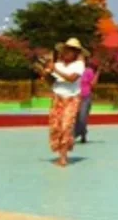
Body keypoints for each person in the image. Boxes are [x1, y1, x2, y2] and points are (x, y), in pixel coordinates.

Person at [42, 38, 86, 167]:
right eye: (66, 50)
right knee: (55, 126)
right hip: (57, 97)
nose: (67, 53)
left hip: (72, 98)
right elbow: (52, 82)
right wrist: (45, 74)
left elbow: (72, 79)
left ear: (75, 53)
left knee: (66, 126)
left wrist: (54, 69)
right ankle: (59, 153)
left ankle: (64, 157)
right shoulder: (58, 64)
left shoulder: (79, 65)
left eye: (71, 51)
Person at [74, 58, 99, 144]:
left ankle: (81, 133)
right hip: (75, 97)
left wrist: (98, 73)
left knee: (82, 117)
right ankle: (81, 133)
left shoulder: (89, 71)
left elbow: (93, 84)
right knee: (75, 117)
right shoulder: (73, 71)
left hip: (86, 97)